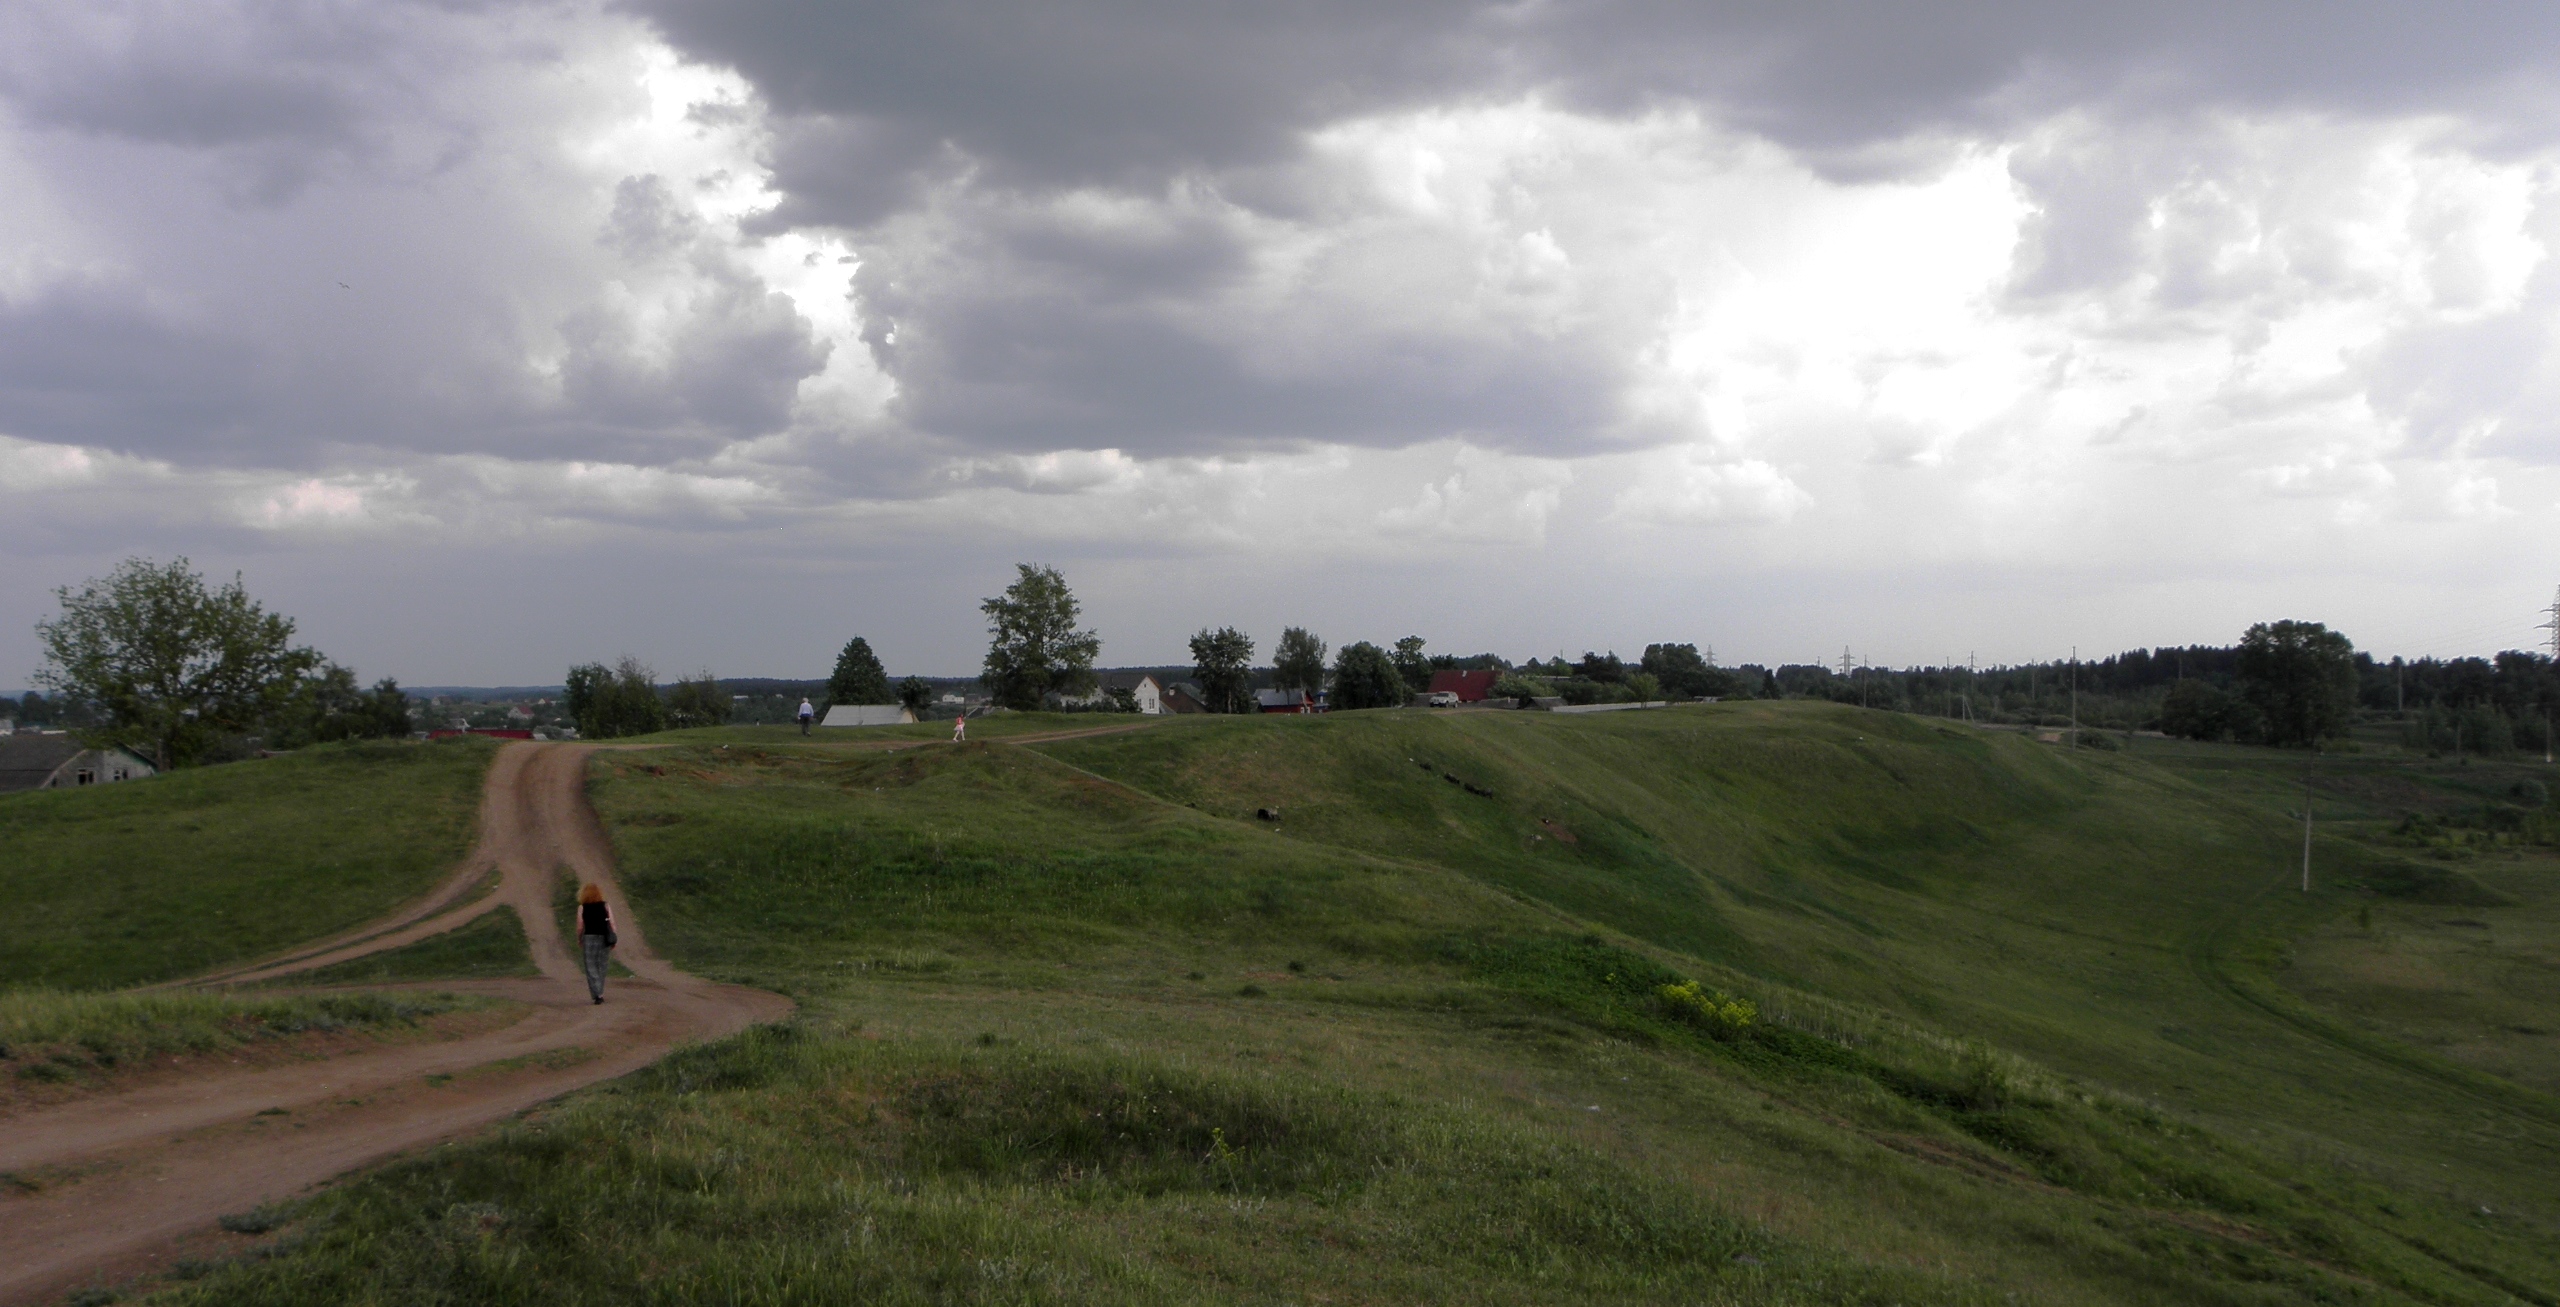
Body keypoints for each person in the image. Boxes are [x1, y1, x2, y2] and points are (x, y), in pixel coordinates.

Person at [577, 882, 616, 1004]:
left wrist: (580, 938)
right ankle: (599, 993)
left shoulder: (582, 907)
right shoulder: (605, 906)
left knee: (590, 966)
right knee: (601, 965)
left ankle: (597, 994)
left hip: (589, 937)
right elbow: (612, 923)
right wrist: (614, 937)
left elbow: (580, 926)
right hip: (604, 937)